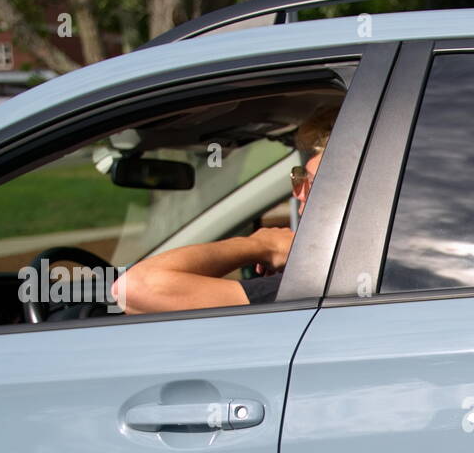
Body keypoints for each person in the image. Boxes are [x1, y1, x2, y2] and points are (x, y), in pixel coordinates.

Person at [113, 105, 338, 313]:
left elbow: (132, 287)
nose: (297, 192)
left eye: (309, 181)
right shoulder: (354, 275)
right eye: (298, 179)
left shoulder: (317, 283)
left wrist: (261, 245)